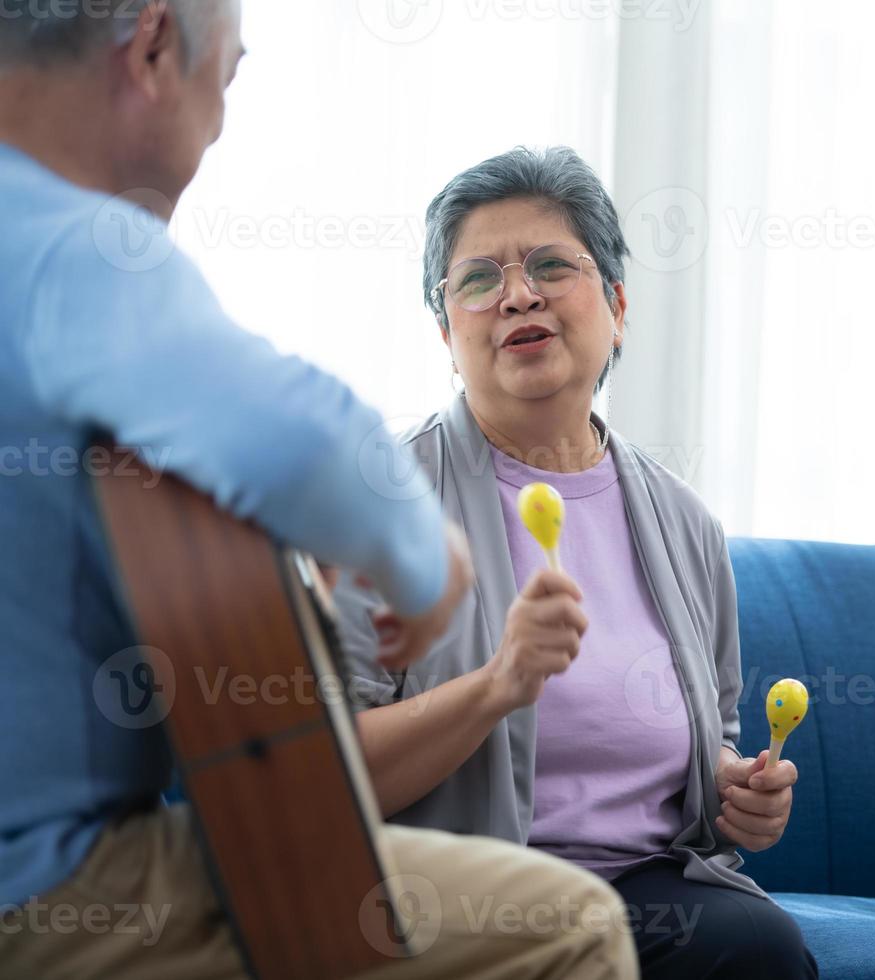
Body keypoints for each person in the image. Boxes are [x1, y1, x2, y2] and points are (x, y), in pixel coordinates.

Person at [0, 4, 636, 977]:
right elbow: (301, 440)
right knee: (573, 923)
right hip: (45, 886)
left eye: (554, 268)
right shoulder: (69, 246)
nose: (216, 127)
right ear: (156, 46)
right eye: (232, 78)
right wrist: (429, 558)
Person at [332, 145, 819, 980]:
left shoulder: (685, 523)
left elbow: (714, 743)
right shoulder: (379, 500)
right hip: (459, 892)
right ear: (448, 334)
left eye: (552, 265)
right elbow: (322, 776)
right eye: (478, 279)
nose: (519, 293)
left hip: (644, 889)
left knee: (757, 948)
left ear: (619, 307)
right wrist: (497, 687)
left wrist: (739, 787)